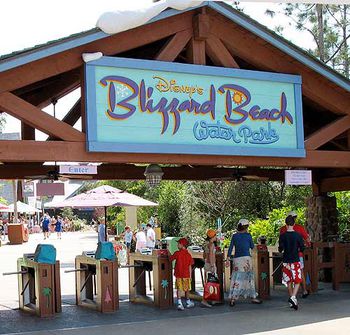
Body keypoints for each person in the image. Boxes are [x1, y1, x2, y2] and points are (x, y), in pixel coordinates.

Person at [227, 219, 261, 306]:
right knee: (249, 278)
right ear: (246, 227)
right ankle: (253, 297)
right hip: (246, 259)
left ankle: (233, 299)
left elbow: (230, 248)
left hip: (237, 259)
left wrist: (227, 259)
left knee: (237, 278)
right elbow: (252, 247)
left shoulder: (234, 236)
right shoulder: (248, 236)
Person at [280, 211, 311, 298]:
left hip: (286, 257)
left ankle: (291, 296)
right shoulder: (300, 228)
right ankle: (304, 291)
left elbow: (281, 245)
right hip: (298, 256)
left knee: (288, 278)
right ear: (295, 218)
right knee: (300, 273)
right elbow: (307, 240)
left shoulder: (282, 229)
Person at [278, 215, 305, 310]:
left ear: (286, 224)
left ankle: (292, 301)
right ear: (294, 224)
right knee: (298, 280)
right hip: (295, 260)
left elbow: (280, 249)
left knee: (288, 281)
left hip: (286, 261)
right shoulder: (298, 235)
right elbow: (302, 248)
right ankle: (293, 297)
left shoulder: (282, 236)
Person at [169, 238, 195, 310]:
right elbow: (190, 266)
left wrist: (168, 251)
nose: (177, 245)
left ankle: (180, 303)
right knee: (187, 289)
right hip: (186, 275)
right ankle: (188, 302)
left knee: (179, 289)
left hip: (179, 275)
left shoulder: (177, 253)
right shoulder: (189, 255)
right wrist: (190, 276)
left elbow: (170, 258)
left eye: (178, 243)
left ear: (182, 245)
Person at [201, 229, 217, 308]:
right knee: (211, 283)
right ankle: (205, 300)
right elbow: (211, 255)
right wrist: (212, 266)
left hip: (206, 264)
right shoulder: (212, 245)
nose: (216, 237)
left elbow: (204, 256)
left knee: (208, 282)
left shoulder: (206, 244)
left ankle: (212, 299)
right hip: (211, 265)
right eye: (215, 235)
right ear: (213, 236)